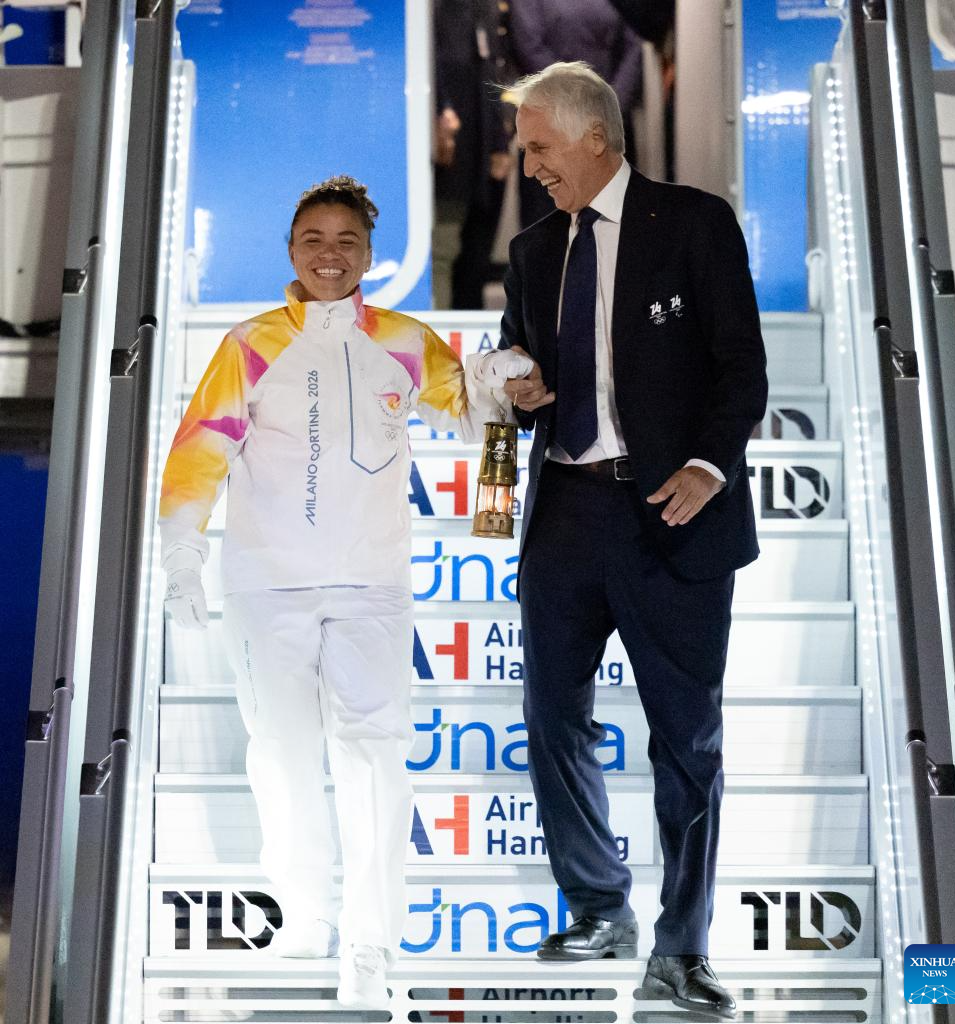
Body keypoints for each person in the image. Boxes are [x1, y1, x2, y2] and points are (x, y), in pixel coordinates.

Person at [158, 176, 530, 1009]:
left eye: (346, 242)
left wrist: (494, 384)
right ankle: (305, 916)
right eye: (314, 241)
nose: (330, 256)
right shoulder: (250, 345)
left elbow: (473, 419)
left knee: (374, 762)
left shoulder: (404, 339)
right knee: (282, 756)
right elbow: (200, 450)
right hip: (267, 585)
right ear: (291, 250)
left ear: (369, 255)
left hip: (370, 585)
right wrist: (182, 553)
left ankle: (368, 940)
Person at [499, 63, 767, 1021]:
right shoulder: (533, 250)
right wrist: (519, 382)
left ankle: (682, 949)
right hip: (566, 513)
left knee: (686, 741)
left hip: (671, 511)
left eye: (539, 147)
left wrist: (707, 465)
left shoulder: (694, 223)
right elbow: (515, 357)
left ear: (594, 137)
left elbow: (742, 366)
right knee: (552, 718)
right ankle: (597, 906)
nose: (530, 166)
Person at [509, 0, 643, 226]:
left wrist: (611, 105)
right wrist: (576, 104)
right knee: (549, 232)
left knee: (616, 228)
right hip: (550, 124)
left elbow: (634, 45)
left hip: (609, 125)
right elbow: (529, 47)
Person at [432, 0, 514, 309]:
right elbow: (431, 65)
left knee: (476, 255)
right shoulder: (431, 10)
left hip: (485, 149)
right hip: (448, 152)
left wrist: (501, 136)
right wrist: (439, 111)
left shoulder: (486, 9)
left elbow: (498, 69)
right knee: (443, 249)